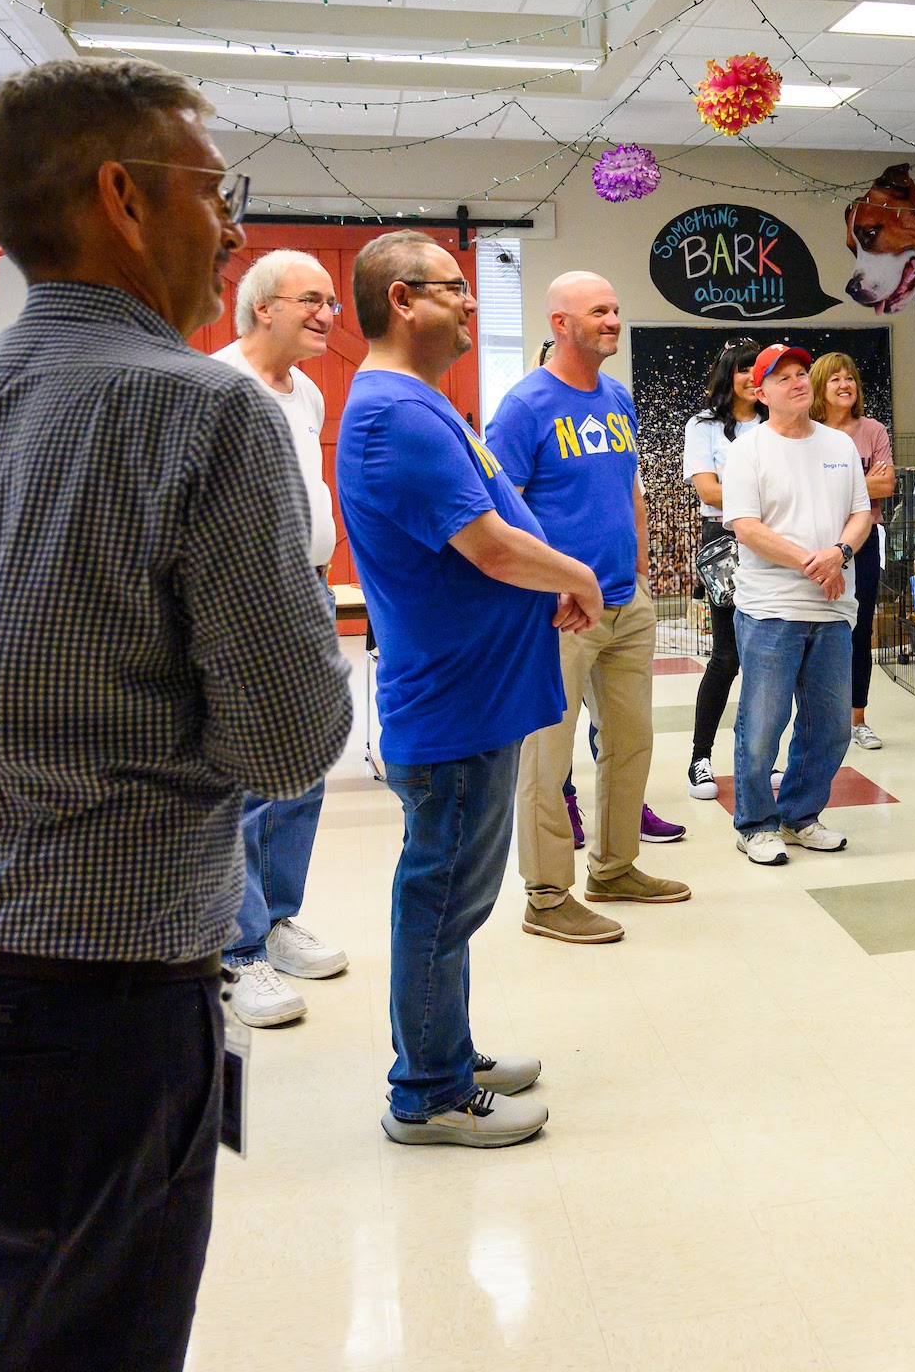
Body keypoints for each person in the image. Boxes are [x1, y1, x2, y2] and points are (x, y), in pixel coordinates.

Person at [0, 58, 350, 1370]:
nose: (230, 232)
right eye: (214, 194)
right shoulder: (203, 410)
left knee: (9, 1326)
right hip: (76, 1022)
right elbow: (288, 743)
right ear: (123, 196)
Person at [336, 229, 603, 1149]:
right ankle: (429, 1094)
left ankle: (446, 1051)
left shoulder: (421, 405)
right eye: (454, 287)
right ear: (402, 300)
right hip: (454, 706)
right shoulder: (395, 417)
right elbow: (487, 545)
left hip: (477, 696)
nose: (472, 301)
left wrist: (547, 577)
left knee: (452, 899)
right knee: (443, 901)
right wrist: (574, 573)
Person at [487, 270, 690, 946]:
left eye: (615, 309)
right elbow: (501, 513)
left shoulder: (617, 397)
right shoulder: (525, 406)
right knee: (546, 758)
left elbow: (630, 489)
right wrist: (544, 586)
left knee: (631, 743)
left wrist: (640, 572)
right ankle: (547, 897)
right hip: (558, 614)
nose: (613, 320)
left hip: (626, 603)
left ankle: (614, 867)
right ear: (561, 323)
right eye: (598, 311)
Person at [207, 250, 352, 1026]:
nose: (328, 314)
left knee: (302, 769)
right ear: (263, 307)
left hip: (309, 592)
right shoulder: (216, 386)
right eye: (311, 300)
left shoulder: (307, 393)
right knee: (247, 779)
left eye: (331, 302)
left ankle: (277, 917)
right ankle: (236, 949)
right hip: (244, 600)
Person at [720, 344, 872, 865]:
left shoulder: (839, 444)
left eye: (802, 373)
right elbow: (746, 527)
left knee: (829, 726)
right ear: (761, 393)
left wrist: (840, 553)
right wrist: (814, 563)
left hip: (833, 608)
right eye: (783, 377)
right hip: (771, 608)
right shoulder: (748, 450)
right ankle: (755, 824)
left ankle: (800, 815)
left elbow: (861, 513)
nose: (799, 382)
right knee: (763, 724)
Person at [682, 338, 763, 800]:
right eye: (743, 369)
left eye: (759, 369)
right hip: (725, 541)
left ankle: (758, 759)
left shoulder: (780, 424)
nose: (752, 378)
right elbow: (708, 492)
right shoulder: (704, 426)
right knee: (727, 656)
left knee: (767, 657)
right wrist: (764, 495)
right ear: (727, 375)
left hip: (775, 540)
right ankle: (700, 757)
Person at [810, 351, 896, 750]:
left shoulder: (873, 430)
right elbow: (808, 487)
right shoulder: (808, 430)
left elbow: (886, 486)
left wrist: (836, 481)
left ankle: (857, 719)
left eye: (850, 379)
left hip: (863, 539)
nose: (845, 386)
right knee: (814, 627)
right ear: (820, 386)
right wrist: (862, 480)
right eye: (835, 379)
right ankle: (816, 719)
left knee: (860, 629)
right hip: (818, 540)